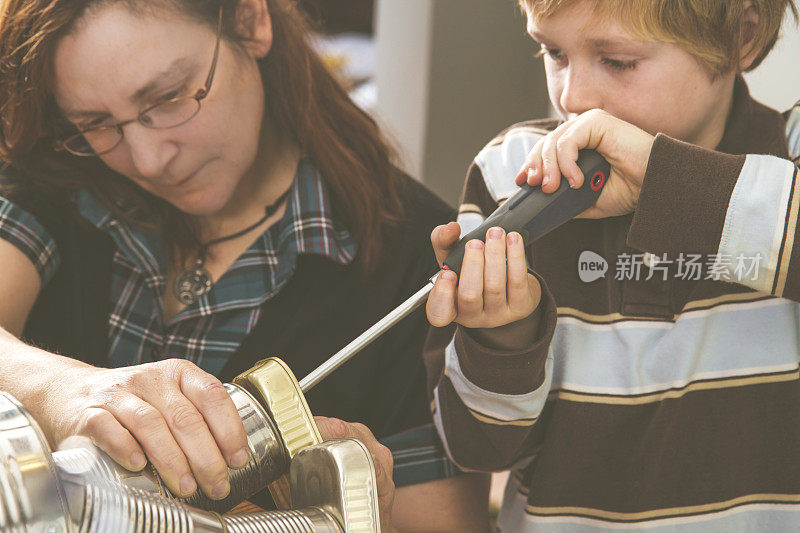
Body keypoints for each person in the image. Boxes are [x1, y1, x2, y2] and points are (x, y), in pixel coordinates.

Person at [0, 0, 491, 530]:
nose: (147, 160)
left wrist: (344, 508)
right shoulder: (56, 169)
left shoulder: (417, 262)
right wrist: (67, 392)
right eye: (96, 124)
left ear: (251, 21)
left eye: (167, 97)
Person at [423, 0, 800, 530]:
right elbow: (474, 448)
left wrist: (667, 183)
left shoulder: (791, 160)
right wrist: (503, 340)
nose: (572, 97)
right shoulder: (510, 172)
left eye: (618, 61)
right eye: (553, 52)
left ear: (743, 36)